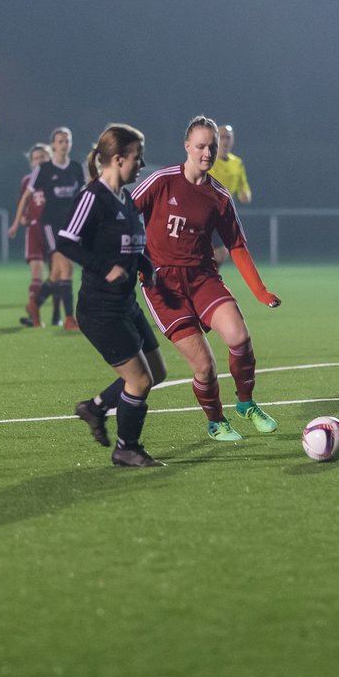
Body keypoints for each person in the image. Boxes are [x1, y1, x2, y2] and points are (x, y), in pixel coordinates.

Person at [130, 115, 281, 442]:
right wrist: (133, 258)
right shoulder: (161, 181)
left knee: (239, 337)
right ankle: (216, 421)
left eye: (211, 146)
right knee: (205, 365)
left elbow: (236, 245)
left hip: (203, 277)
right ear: (187, 147)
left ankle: (246, 404)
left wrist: (260, 291)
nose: (207, 153)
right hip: (163, 285)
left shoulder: (220, 196)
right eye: (200, 146)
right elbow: (123, 213)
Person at [57, 124, 168, 467]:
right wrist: (103, 267)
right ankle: (126, 448)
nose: (142, 163)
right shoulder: (93, 197)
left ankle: (94, 408)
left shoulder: (126, 198)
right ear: (118, 159)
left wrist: (146, 266)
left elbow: (131, 245)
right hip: (100, 309)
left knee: (156, 372)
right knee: (139, 380)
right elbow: (65, 241)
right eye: (137, 157)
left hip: (125, 304)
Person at [25, 127, 86, 330]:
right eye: (60, 141)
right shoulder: (46, 169)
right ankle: (69, 318)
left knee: (58, 273)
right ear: (53, 145)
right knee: (66, 268)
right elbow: (28, 194)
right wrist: (18, 220)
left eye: (67, 141)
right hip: (51, 225)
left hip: (71, 225)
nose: (64, 144)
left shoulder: (76, 168)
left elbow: (83, 196)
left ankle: (35, 304)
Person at [8, 143, 54, 326]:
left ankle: (58, 315)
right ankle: (35, 318)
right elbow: (23, 202)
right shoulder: (27, 181)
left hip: (53, 230)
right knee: (36, 274)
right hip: (34, 230)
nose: (38, 161)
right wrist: (19, 221)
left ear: (49, 158)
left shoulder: (56, 177)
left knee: (57, 275)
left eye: (42, 157)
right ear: (31, 162)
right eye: (35, 158)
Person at [208, 123, 254, 264]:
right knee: (220, 252)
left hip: (226, 215)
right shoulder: (208, 160)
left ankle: (202, 281)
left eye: (228, 137)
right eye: (222, 137)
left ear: (232, 140)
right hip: (207, 214)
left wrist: (245, 194)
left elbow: (243, 186)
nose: (225, 140)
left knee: (221, 254)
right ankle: (206, 281)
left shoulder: (237, 163)